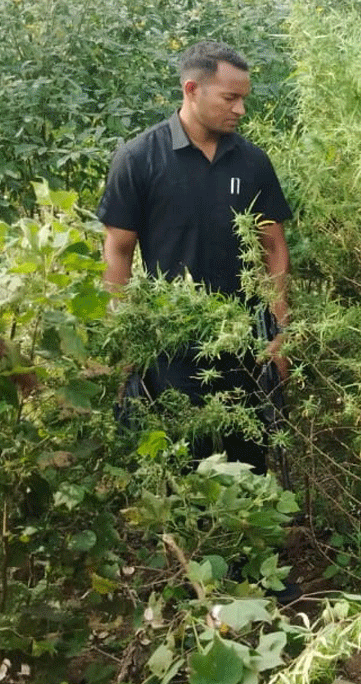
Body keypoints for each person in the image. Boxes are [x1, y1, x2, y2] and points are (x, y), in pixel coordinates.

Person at [98, 41, 292, 474]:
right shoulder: (138, 160)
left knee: (247, 469)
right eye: (230, 98)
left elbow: (274, 247)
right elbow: (118, 252)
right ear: (192, 89)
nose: (240, 109)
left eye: (244, 98)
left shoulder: (253, 162)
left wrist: (279, 328)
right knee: (179, 468)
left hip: (246, 344)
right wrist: (122, 331)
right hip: (171, 344)